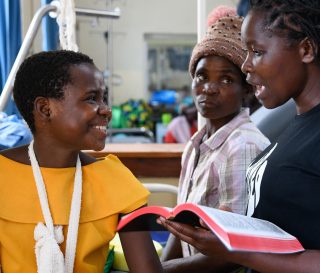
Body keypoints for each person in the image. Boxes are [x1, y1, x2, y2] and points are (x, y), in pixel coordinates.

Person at [158, 0, 320, 272]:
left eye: (257, 51)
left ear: (305, 49)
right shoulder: (295, 126)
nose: (246, 65)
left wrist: (238, 252)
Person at [0, 50, 163, 273]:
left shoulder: (116, 181)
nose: (106, 109)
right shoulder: (3, 176)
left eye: (103, 97)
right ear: (45, 109)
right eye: (91, 98)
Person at [160, 6, 270, 273]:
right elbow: (180, 224)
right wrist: (155, 266)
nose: (208, 87)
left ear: (246, 90)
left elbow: (233, 252)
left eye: (225, 79)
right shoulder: (196, 144)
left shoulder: (243, 146)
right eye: (201, 76)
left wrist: (162, 271)